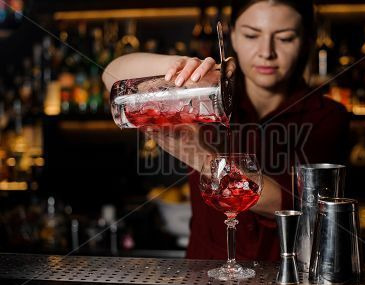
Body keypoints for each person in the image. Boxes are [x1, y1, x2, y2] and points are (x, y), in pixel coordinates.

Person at [103, 0, 350, 261]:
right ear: (233, 35)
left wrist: (200, 157)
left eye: (285, 38)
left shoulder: (328, 116)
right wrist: (184, 67)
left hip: (286, 277)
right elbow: (111, 75)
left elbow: (299, 204)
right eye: (251, 35)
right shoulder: (206, 97)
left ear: (307, 41)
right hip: (204, 279)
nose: (266, 52)